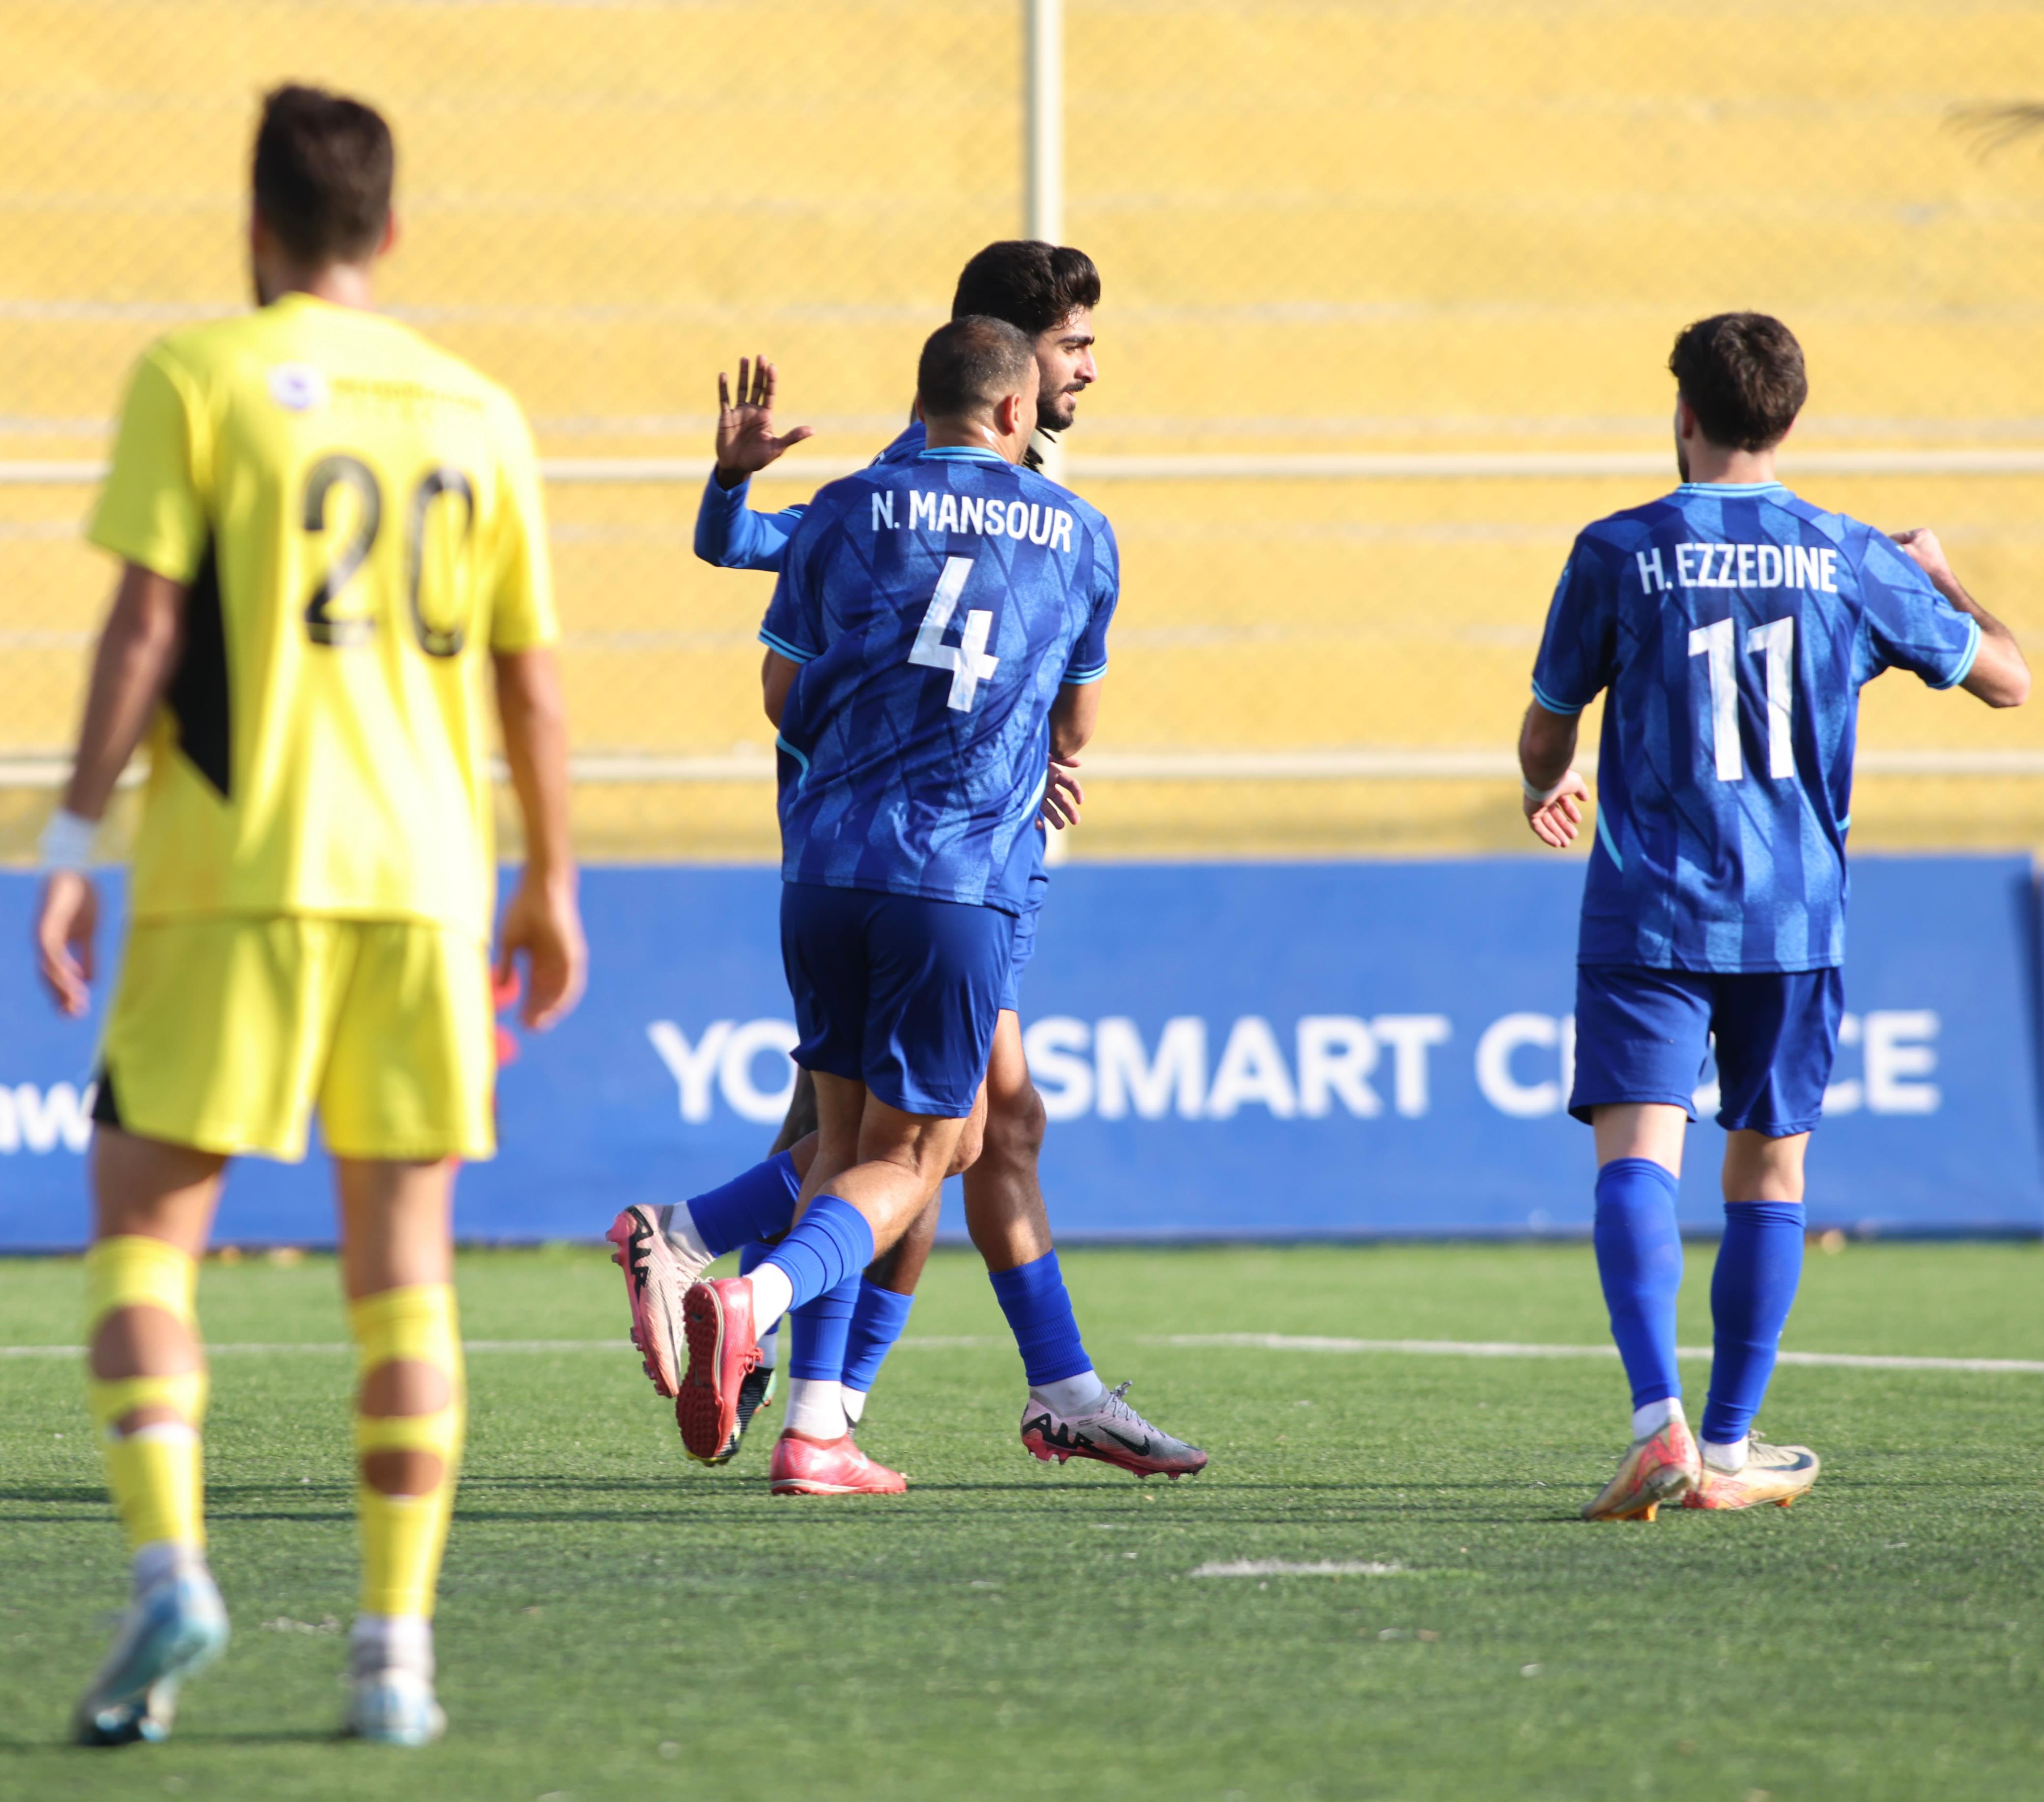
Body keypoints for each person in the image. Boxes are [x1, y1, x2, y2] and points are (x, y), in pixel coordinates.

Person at [35, 85, 586, 1746]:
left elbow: (147, 623)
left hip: (236, 869)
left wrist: (71, 833)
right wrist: (552, 879)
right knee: (405, 1278)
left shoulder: (198, 377)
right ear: (390, 229)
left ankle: (169, 1570)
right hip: (425, 887)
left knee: (144, 1236)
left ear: (257, 223)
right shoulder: (479, 411)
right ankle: (394, 1655)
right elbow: (531, 679)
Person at [608, 245, 1204, 1490]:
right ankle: (736, 1289)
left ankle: (843, 1407)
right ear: (1011, 371)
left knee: (976, 1127)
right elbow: (796, 672)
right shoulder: (1039, 519)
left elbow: (775, 621)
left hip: (839, 861)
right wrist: (995, 743)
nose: (1089, 371)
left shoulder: (870, 499)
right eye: (1075, 347)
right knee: (923, 1145)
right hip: (947, 862)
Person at [1518, 312, 2027, 1522]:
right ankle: (1729, 1448)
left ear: (1683, 412)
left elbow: (1546, 733)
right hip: (1790, 919)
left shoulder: (1618, 548)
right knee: (1769, 1166)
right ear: (1789, 419)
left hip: (1650, 905)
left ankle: (1657, 1423)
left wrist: (1548, 780)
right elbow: (2012, 679)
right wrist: (1941, 574)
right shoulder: (1849, 555)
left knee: (1636, 1157)